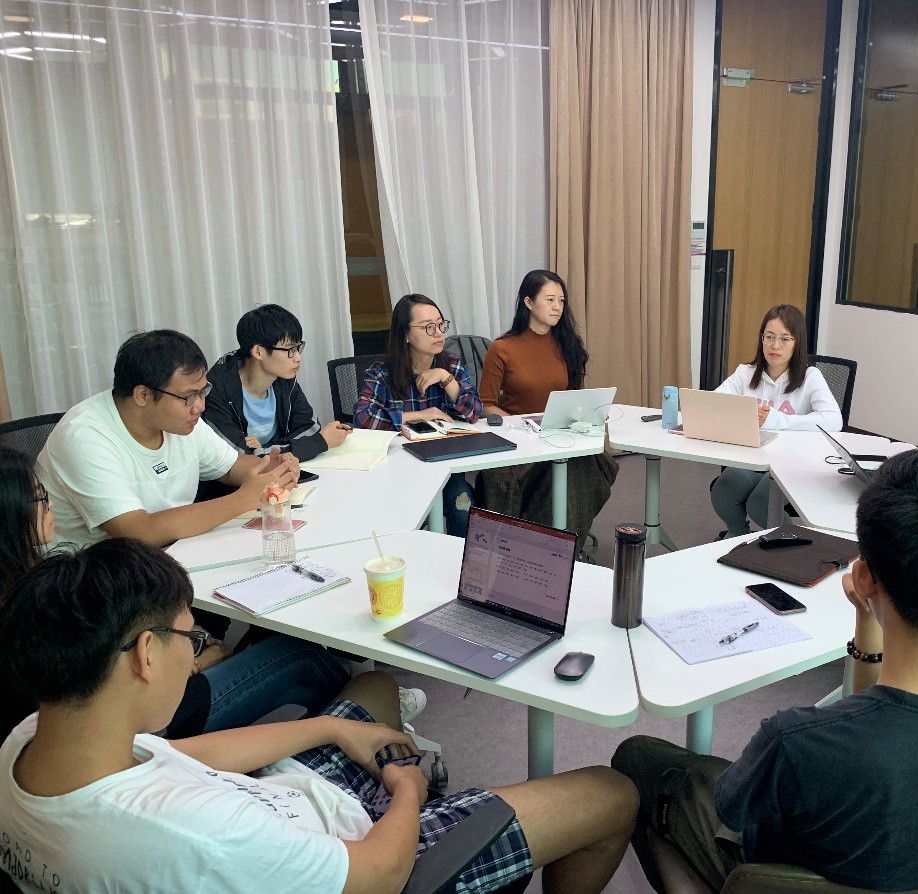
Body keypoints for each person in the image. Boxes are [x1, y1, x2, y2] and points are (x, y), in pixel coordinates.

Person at [0, 538, 638, 894]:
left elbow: (181, 757)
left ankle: (387, 757)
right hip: (372, 859)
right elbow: (382, 874)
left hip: (286, 811)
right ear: (145, 654)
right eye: (191, 639)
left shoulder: (29, 741)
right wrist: (408, 793)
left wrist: (331, 727)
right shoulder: (193, 834)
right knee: (612, 794)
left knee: (374, 688)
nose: (195, 656)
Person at [613, 450, 918, 893]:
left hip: (773, 872)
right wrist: (867, 622)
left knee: (638, 755)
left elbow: (733, 810)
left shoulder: (798, 739)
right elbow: (887, 725)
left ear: (863, 579)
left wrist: (866, 612)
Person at [0, 445, 363, 745]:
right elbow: (101, 684)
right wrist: (193, 662)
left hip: (134, 697)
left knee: (278, 664)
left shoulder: (32, 577)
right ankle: (351, 726)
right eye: (40, 497)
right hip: (149, 724)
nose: (50, 504)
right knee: (299, 653)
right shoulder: (30, 604)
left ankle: (328, 729)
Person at [38, 329, 300, 550]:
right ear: (142, 395)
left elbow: (231, 466)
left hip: (173, 551)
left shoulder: (181, 420)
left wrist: (273, 470)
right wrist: (244, 499)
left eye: (203, 392)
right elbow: (136, 532)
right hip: (91, 573)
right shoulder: (85, 437)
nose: (199, 406)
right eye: (189, 396)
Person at [477, 270, 618, 551]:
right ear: (528, 302)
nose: (557, 307)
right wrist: (523, 425)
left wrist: (591, 413)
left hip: (561, 435)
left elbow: (577, 398)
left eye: (561, 301)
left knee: (580, 465)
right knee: (561, 473)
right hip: (521, 440)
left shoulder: (568, 345)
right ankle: (551, 549)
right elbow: (485, 404)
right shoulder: (502, 348)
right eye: (550, 299)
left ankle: (559, 549)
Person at [354, 294, 482, 538]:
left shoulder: (451, 366)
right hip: (398, 472)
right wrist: (419, 415)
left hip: (444, 468)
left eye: (441, 325)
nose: (438, 333)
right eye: (428, 327)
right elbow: (363, 419)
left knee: (463, 502)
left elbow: (474, 411)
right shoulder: (382, 373)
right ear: (405, 334)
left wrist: (445, 378)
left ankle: (458, 561)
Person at [710, 304, 842, 536]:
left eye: (785, 339)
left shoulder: (810, 377)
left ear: (797, 343)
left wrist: (778, 420)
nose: (775, 345)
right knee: (724, 491)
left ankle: (795, 544)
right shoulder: (746, 373)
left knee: (762, 503)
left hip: (792, 462)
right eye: (769, 337)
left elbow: (833, 420)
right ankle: (738, 537)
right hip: (752, 457)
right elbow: (714, 404)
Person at [204, 303, 351, 460]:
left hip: (285, 470)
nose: (298, 358)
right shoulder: (216, 390)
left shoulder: (284, 379)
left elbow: (309, 428)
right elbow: (237, 458)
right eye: (290, 350)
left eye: (298, 348)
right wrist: (319, 442)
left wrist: (264, 450)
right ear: (258, 352)